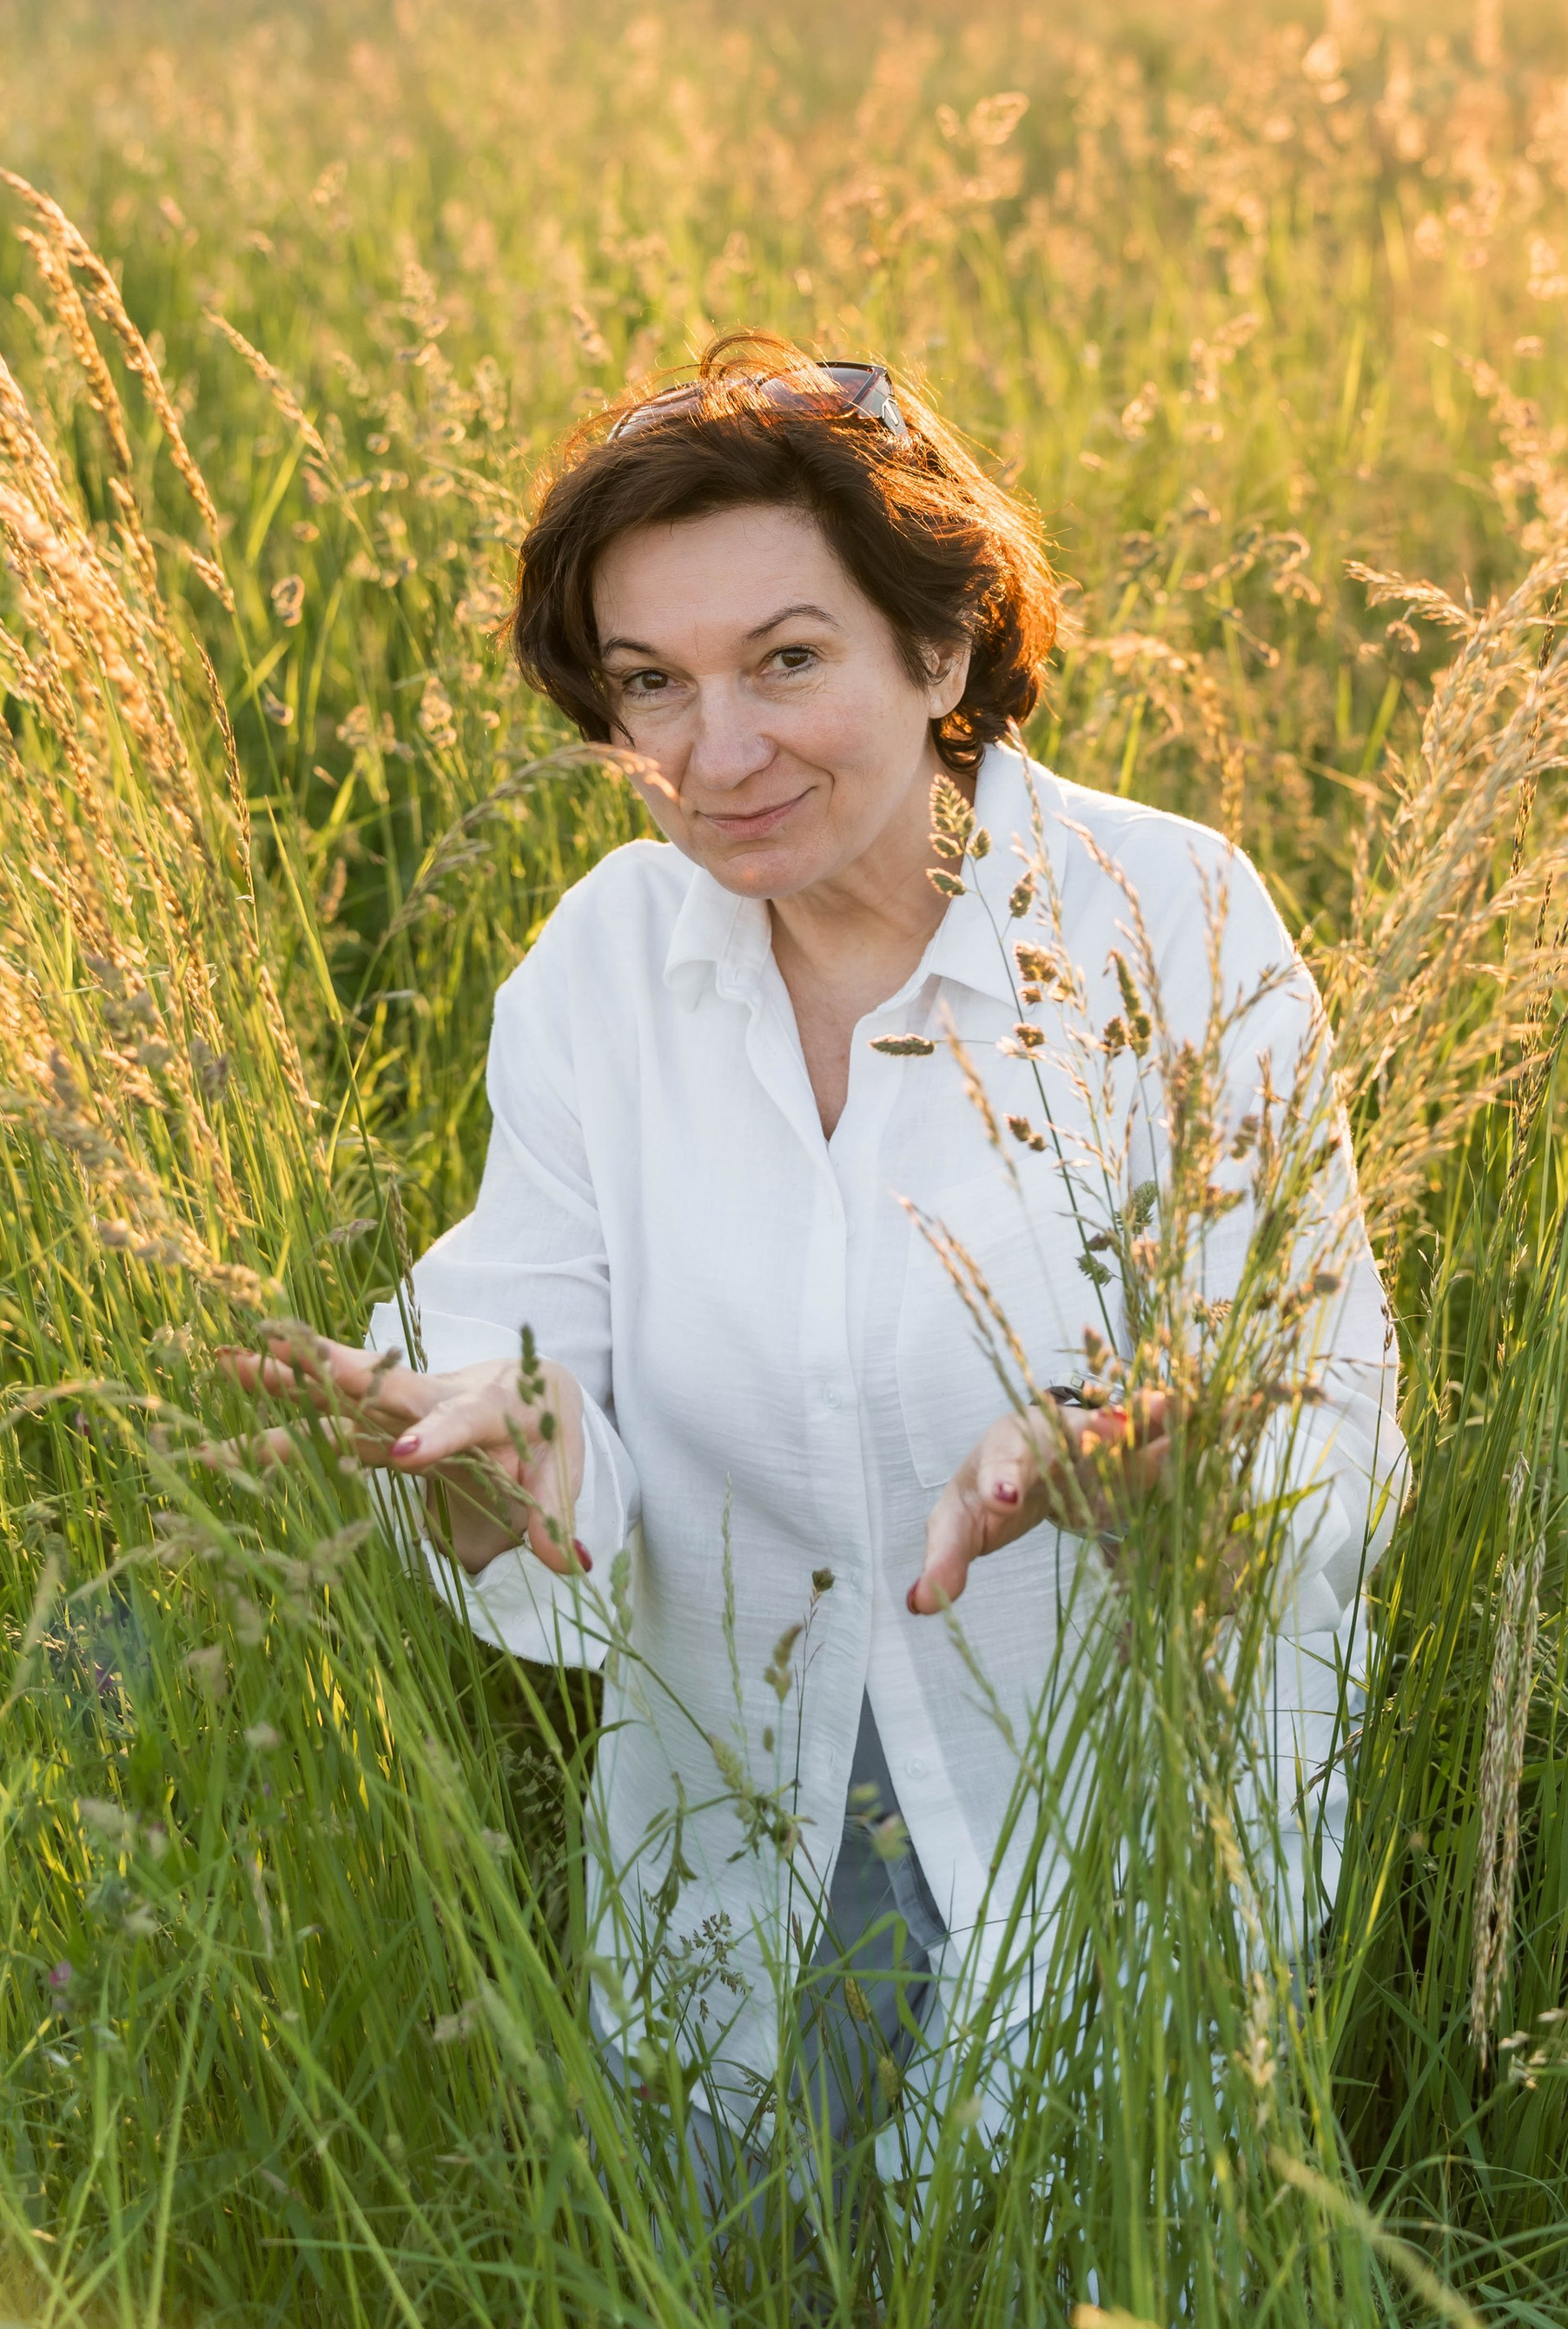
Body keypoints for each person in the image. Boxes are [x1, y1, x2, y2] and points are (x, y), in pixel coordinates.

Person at [233, 341, 1403, 2202]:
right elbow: (519, 1327)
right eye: (651, 686)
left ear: (936, 653)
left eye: (785, 660)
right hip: (731, 1861)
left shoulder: (1168, 922)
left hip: (1097, 1836)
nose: (716, 754)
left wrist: (1144, 1457)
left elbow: (1324, 1394)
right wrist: (500, 1438)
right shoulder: (604, 963)